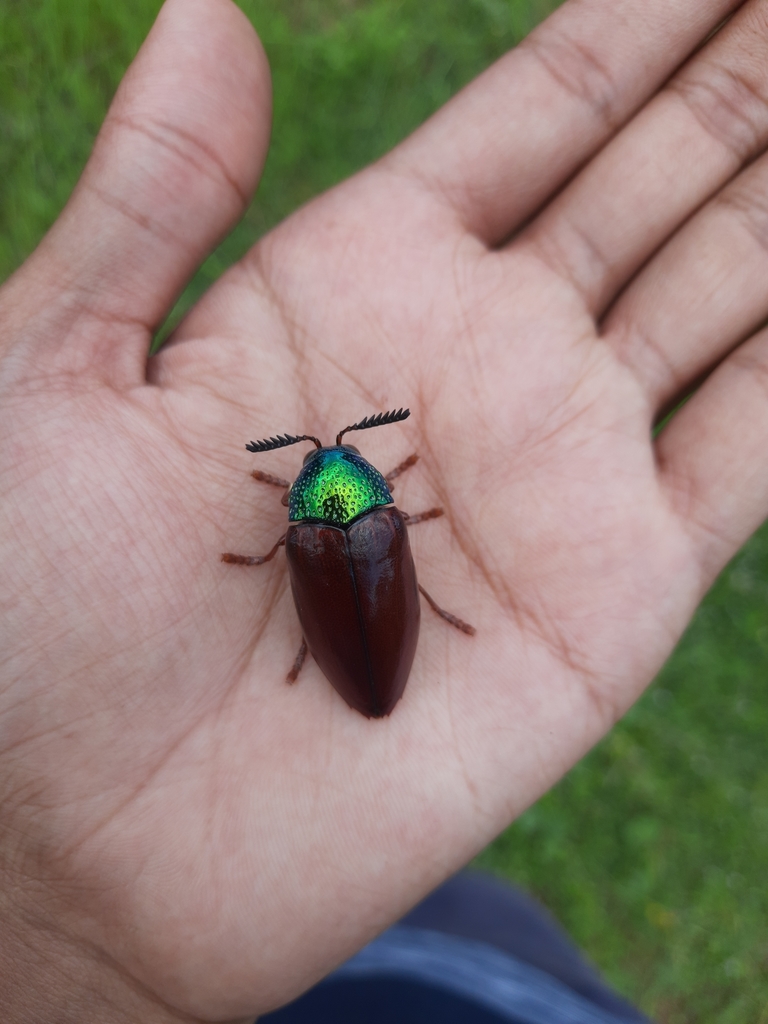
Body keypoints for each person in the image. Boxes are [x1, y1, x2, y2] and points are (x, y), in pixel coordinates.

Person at [0, 0, 765, 1020]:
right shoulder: (366, 519)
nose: (333, 463)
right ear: (367, 489)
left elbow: (312, 553)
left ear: (330, 495)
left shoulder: (310, 530)